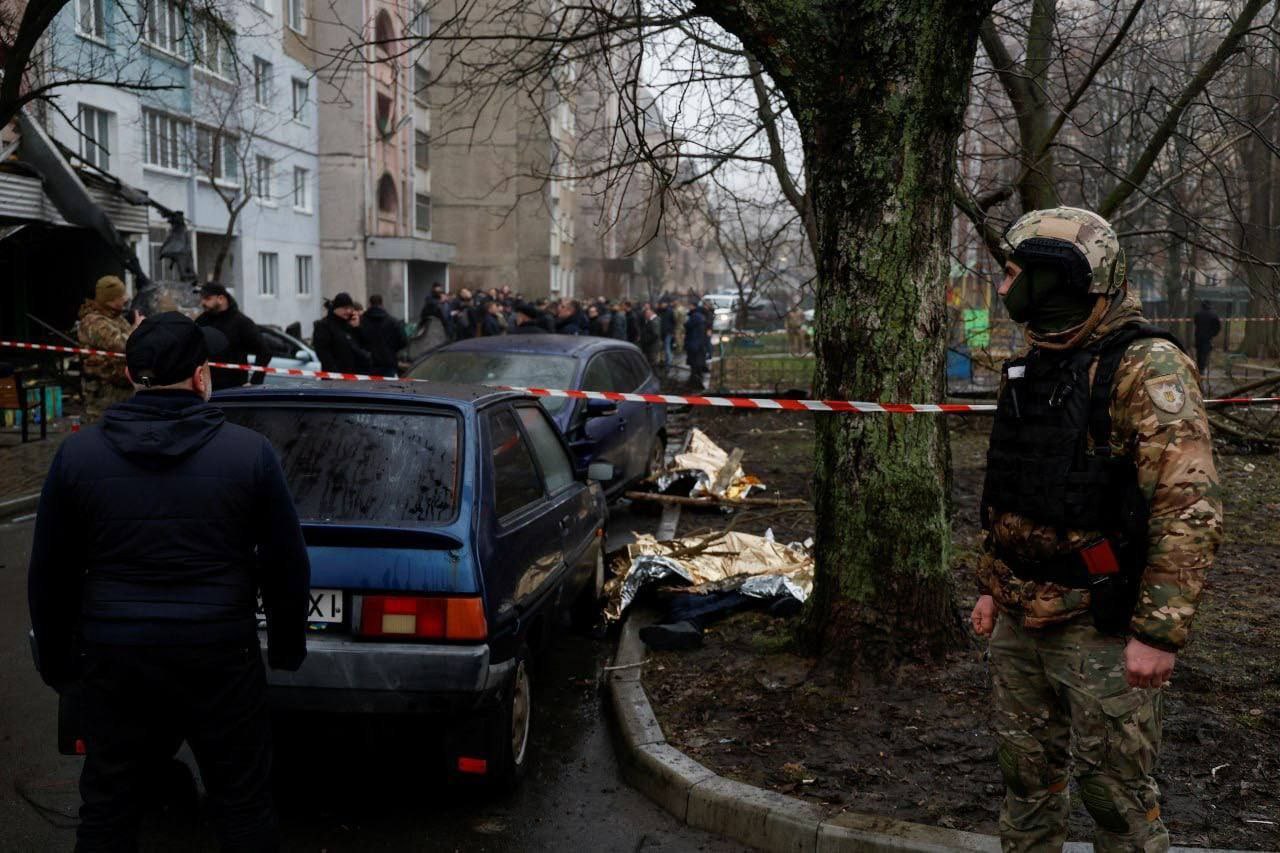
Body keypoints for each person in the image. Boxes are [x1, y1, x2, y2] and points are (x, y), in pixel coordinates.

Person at [970, 207, 1222, 853]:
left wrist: (1158, 634)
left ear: (1063, 278)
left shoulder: (1147, 367)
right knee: (1024, 785)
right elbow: (1012, 486)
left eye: (1016, 272)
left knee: (1117, 800)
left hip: (1102, 624)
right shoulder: (1037, 358)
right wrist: (992, 585)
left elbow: (1187, 507)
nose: (1005, 287)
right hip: (1021, 617)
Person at [28, 311, 310, 852]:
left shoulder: (78, 455)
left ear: (133, 376)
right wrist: (287, 646)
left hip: (115, 655)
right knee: (241, 801)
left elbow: (51, 570)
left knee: (108, 803)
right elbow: (286, 561)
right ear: (203, 376)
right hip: (219, 653)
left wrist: (61, 662)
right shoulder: (249, 454)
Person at [78, 275, 142, 423]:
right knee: (102, 438)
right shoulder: (93, 322)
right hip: (103, 395)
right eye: (121, 296)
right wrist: (137, 329)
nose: (126, 299)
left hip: (123, 388)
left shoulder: (117, 318)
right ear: (110, 301)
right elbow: (123, 345)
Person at [195, 283, 271, 390]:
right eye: (202, 299)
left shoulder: (241, 322)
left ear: (221, 298)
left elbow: (265, 352)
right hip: (205, 389)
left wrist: (254, 382)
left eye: (207, 298)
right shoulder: (201, 321)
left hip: (233, 391)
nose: (203, 302)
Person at [312, 292, 372, 373]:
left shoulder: (349, 324)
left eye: (350, 308)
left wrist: (357, 328)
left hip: (354, 376)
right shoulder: (324, 326)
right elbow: (323, 353)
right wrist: (336, 374)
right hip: (334, 378)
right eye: (345, 308)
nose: (348, 311)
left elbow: (364, 346)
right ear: (336, 308)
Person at [360, 293, 410, 376]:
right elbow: (403, 341)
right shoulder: (393, 321)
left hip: (368, 364)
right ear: (382, 304)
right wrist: (392, 350)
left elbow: (358, 340)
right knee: (388, 387)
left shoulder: (362, 321)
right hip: (388, 363)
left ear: (370, 304)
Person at [1192, 300, 1221, 378]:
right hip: (1208, 337)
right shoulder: (1213, 314)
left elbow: (1195, 322)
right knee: (1205, 353)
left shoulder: (1198, 313)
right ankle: (1202, 369)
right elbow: (1217, 326)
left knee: (1199, 353)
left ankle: (1198, 368)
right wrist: (1213, 334)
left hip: (1198, 336)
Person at [684, 302, 709, 388]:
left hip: (694, 344)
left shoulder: (695, 316)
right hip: (697, 344)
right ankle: (695, 381)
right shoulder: (699, 316)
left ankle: (695, 382)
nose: (688, 307)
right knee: (696, 364)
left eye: (690, 306)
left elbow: (688, 326)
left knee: (695, 364)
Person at [640, 304, 663, 369]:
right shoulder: (654, 320)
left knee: (653, 362)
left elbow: (655, 334)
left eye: (646, 315)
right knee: (652, 362)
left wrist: (646, 340)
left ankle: (655, 376)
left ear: (649, 314)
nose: (645, 317)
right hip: (652, 345)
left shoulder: (654, 321)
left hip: (652, 346)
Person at [658, 301, 676, 367]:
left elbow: (674, 322)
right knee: (664, 347)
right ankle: (666, 360)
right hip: (663, 332)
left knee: (667, 347)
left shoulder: (670, 311)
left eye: (663, 303)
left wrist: (672, 331)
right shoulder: (660, 311)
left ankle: (669, 362)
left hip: (668, 332)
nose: (662, 305)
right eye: (661, 304)